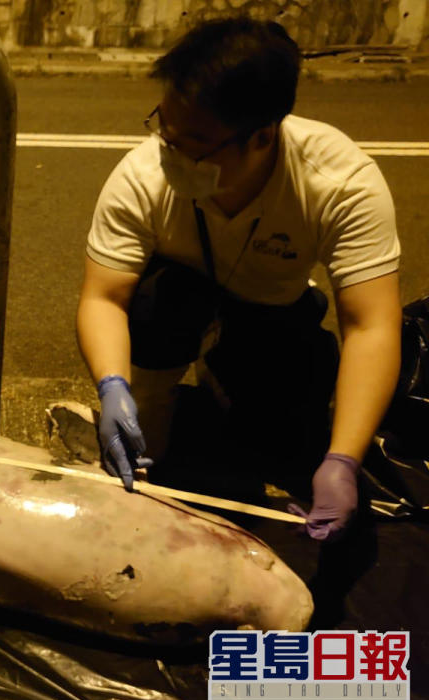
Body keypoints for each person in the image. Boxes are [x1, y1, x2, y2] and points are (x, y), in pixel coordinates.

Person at [76, 17, 401, 541]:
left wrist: (343, 458)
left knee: (290, 437)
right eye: (166, 128)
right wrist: (113, 386)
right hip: (173, 305)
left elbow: (372, 326)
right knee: (157, 305)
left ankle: (229, 393)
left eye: (197, 142)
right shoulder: (142, 176)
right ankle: (146, 427)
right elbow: (104, 298)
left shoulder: (340, 184)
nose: (171, 151)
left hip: (269, 311)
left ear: (263, 136)